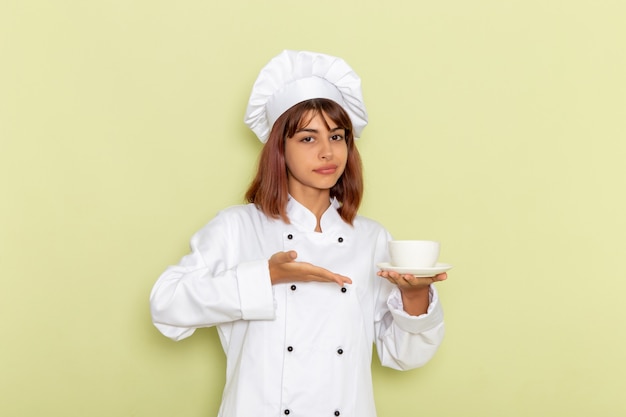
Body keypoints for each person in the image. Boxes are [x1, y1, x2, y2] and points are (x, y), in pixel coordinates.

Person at [150, 50, 447, 417]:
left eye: (337, 137)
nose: (327, 152)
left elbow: (405, 356)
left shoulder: (371, 238)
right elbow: (165, 307)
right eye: (308, 139)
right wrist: (266, 276)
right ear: (280, 148)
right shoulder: (237, 228)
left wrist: (414, 296)